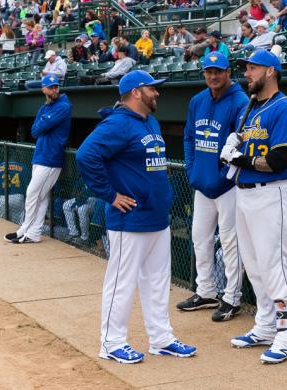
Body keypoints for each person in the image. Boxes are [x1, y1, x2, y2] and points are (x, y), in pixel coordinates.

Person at [75, 70, 197, 364]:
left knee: (157, 282)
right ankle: (112, 343)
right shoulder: (117, 123)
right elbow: (85, 156)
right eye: (152, 88)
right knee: (122, 282)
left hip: (157, 217)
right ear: (136, 92)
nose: (157, 93)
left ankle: (161, 339)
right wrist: (111, 195)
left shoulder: (149, 121)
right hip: (129, 220)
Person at [218, 49, 287, 364]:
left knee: (274, 266)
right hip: (244, 193)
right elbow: (244, 145)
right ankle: (266, 325)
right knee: (253, 265)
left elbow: (279, 160)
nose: (247, 74)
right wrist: (232, 145)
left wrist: (239, 157)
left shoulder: (285, 109)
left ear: (270, 71)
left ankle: (286, 334)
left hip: (272, 194)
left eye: (252, 69)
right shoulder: (252, 109)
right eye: (246, 69)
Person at [178, 52, 248, 321]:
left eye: (218, 71)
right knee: (200, 239)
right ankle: (206, 290)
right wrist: (191, 168)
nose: (213, 76)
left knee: (230, 243)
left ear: (228, 72)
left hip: (228, 186)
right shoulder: (198, 100)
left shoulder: (239, 100)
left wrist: (224, 175)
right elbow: (188, 138)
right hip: (202, 185)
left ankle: (232, 297)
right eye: (209, 71)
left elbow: (240, 142)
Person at [4, 75, 72, 244]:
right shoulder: (44, 108)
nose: (54, 90)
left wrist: (42, 124)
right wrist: (42, 124)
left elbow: (41, 127)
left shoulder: (63, 106)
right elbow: (34, 131)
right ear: (44, 89)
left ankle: (24, 229)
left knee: (32, 193)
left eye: (56, 86)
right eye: (51, 87)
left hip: (51, 157)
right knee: (41, 197)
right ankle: (33, 233)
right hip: (40, 155)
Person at [0, 160, 30, 224]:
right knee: (19, 224)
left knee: (0, 222)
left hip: (3, 198)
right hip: (18, 197)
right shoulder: (23, 167)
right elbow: (28, 186)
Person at [62, 181, 97, 245]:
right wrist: (77, 194)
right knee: (66, 205)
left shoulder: (97, 175)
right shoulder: (84, 175)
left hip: (94, 199)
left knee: (82, 209)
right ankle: (73, 232)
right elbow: (75, 189)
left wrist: (82, 195)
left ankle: (84, 237)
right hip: (82, 198)